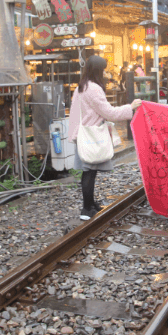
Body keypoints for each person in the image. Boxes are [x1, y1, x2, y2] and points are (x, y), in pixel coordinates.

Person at [68, 55, 142, 220]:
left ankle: (91, 203)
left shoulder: (82, 86)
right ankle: (87, 209)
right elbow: (109, 112)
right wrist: (130, 107)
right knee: (89, 172)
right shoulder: (93, 88)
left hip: (83, 134)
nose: (105, 73)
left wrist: (74, 135)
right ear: (98, 71)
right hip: (91, 136)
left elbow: (75, 113)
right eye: (103, 70)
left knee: (89, 172)